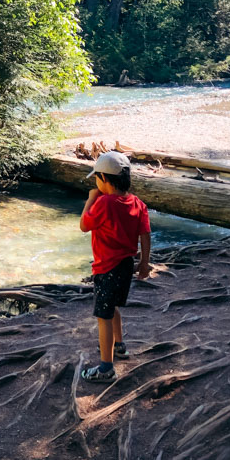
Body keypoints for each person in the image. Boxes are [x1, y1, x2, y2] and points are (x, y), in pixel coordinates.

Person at [78, 151, 151, 382]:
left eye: (96, 179)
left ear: (104, 179)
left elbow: (83, 225)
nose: (96, 184)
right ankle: (119, 346)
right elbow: (145, 234)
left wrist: (91, 198)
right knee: (113, 307)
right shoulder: (137, 202)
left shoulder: (103, 203)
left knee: (103, 316)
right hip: (126, 265)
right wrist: (145, 263)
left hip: (107, 267)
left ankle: (105, 369)